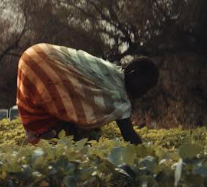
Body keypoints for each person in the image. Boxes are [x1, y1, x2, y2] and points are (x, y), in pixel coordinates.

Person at [15, 43, 158, 145]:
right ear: (134, 74)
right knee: (65, 138)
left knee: (66, 126)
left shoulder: (111, 71)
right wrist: (149, 158)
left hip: (34, 54)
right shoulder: (119, 98)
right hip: (44, 62)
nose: (144, 93)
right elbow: (129, 135)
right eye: (145, 86)